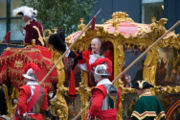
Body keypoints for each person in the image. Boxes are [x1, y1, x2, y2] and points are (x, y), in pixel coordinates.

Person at [48, 31, 113, 96]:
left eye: (94, 45)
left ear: (99, 45)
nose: (92, 46)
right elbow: (74, 55)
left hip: (106, 84)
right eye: (91, 45)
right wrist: (64, 47)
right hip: (93, 86)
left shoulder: (107, 54)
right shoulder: (88, 54)